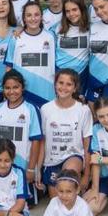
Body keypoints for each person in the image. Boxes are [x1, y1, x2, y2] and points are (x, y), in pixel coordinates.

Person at [40, 69, 92, 198]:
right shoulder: (45, 109)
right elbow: (42, 141)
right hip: (52, 161)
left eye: (69, 84)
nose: (64, 87)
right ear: (55, 85)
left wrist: (86, 175)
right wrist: (37, 169)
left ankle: (76, 185)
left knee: (67, 181)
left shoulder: (83, 110)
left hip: (73, 157)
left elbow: (87, 144)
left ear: (75, 88)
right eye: (60, 83)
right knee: (57, 199)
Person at [5, 2, 56, 109]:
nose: (33, 18)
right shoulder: (16, 38)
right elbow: (9, 68)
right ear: (24, 18)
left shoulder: (51, 36)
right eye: (29, 15)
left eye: (36, 15)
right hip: (22, 93)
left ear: (42, 16)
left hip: (46, 94)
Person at [54, 0, 91, 79]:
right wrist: (22, 29)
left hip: (81, 75)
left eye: (74, 10)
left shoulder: (92, 29)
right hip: (61, 74)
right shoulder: (57, 28)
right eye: (67, 11)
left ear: (82, 9)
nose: (71, 14)